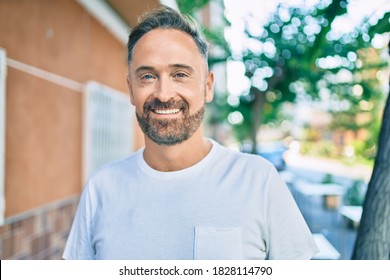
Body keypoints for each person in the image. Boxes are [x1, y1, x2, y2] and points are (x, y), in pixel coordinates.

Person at [63, 5, 318, 260]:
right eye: (148, 76)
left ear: (207, 87)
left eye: (180, 74)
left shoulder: (258, 181)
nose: (163, 94)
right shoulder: (101, 189)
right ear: (131, 90)